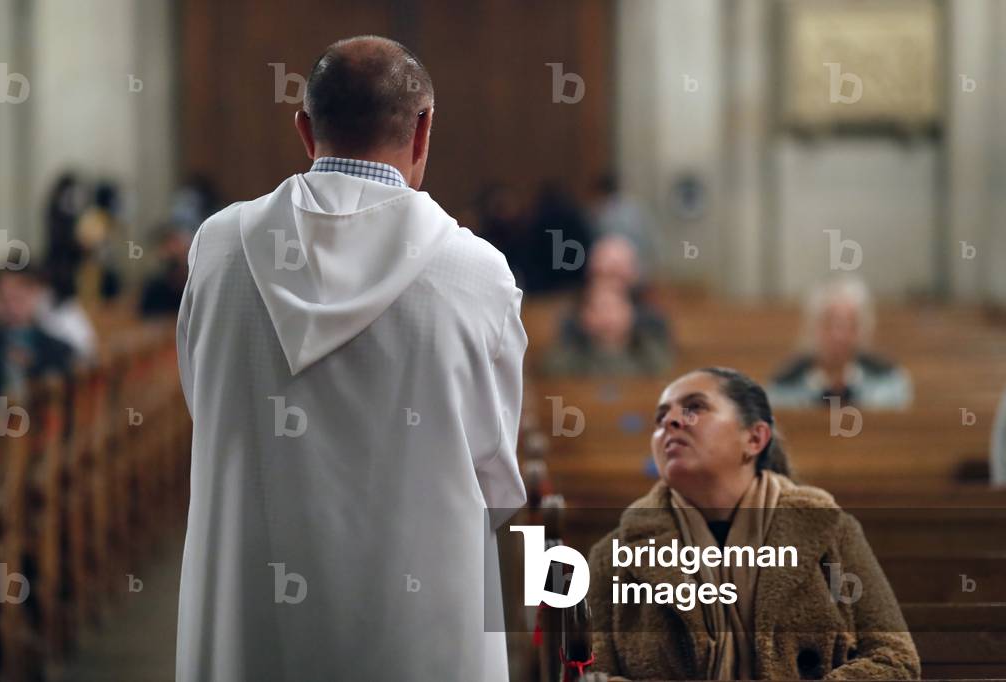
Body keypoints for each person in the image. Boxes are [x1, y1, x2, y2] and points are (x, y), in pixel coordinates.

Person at [175, 36, 527, 682]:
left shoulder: (219, 246)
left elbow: (207, 405)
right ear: (423, 131)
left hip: (252, 600)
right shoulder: (476, 272)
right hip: (421, 617)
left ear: (305, 130)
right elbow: (494, 472)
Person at [587, 368, 920, 680]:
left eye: (694, 408)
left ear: (755, 438)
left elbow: (894, 659)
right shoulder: (613, 555)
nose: (670, 421)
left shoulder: (829, 528)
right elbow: (590, 674)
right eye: (660, 418)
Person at [768, 276, 912, 409]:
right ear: (813, 328)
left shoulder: (888, 382)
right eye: (829, 323)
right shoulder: (784, 386)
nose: (839, 335)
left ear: (863, 330)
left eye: (850, 325)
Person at [542, 279, 672, 377]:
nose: (609, 316)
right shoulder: (565, 360)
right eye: (601, 308)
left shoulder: (652, 356)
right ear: (585, 316)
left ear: (631, 311)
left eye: (616, 307)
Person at [0, 267, 76, 399]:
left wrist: (32, 365)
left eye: (18, 299)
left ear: (35, 295)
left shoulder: (58, 350)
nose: (11, 308)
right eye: (3, 299)